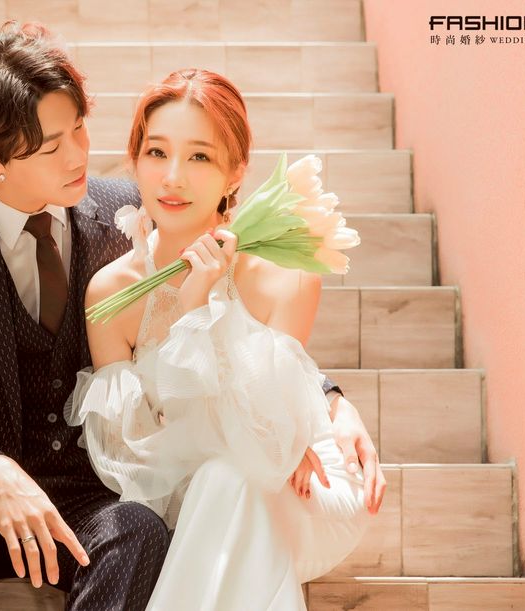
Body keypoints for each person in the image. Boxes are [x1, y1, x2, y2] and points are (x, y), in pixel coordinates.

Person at [0, 22, 383, 611]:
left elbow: (239, 303)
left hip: (85, 502)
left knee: (138, 528)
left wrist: (330, 400)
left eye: (79, 127)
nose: (79, 155)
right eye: (52, 147)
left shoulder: (129, 209)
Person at [67, 68, 375, 610]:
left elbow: (274, 445)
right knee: (221, 476)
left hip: (302, 486)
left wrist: (200, 314)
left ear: (236, 172)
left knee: (228, 475)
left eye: (200, 157)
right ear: (135, 160)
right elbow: (130, 461)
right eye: (157, 152)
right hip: (191, 492)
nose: (173, 178)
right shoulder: (112, 293)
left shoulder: (284, 276)